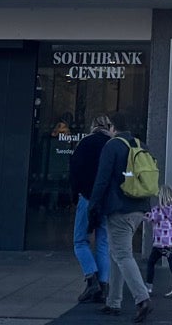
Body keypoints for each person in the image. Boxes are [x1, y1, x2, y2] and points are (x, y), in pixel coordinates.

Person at [89, 121, 155, 321]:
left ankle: (142, 298)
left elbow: (102, 179)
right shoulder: (140, 145)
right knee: (115, 253)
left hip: (119, 209)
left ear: (112, 127)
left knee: (123, 254)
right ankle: (113, 302)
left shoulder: (112, 146)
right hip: (139, 207)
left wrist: (93, 205)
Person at [71, 116, 115, 304]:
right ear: (108, 127)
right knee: (103, 243)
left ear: (92, 126)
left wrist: (75, 196)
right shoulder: (112, 145)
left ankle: (91, 280)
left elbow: (74, 171)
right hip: (107, 201)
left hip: (87, 198)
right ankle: (104, 287)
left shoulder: (84, 144)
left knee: (80, 241)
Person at [144, 185, 172, 298]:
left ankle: (148, 287)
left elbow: (150, 218)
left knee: (151, 263)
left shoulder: (158, 210)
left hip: (159, 243)